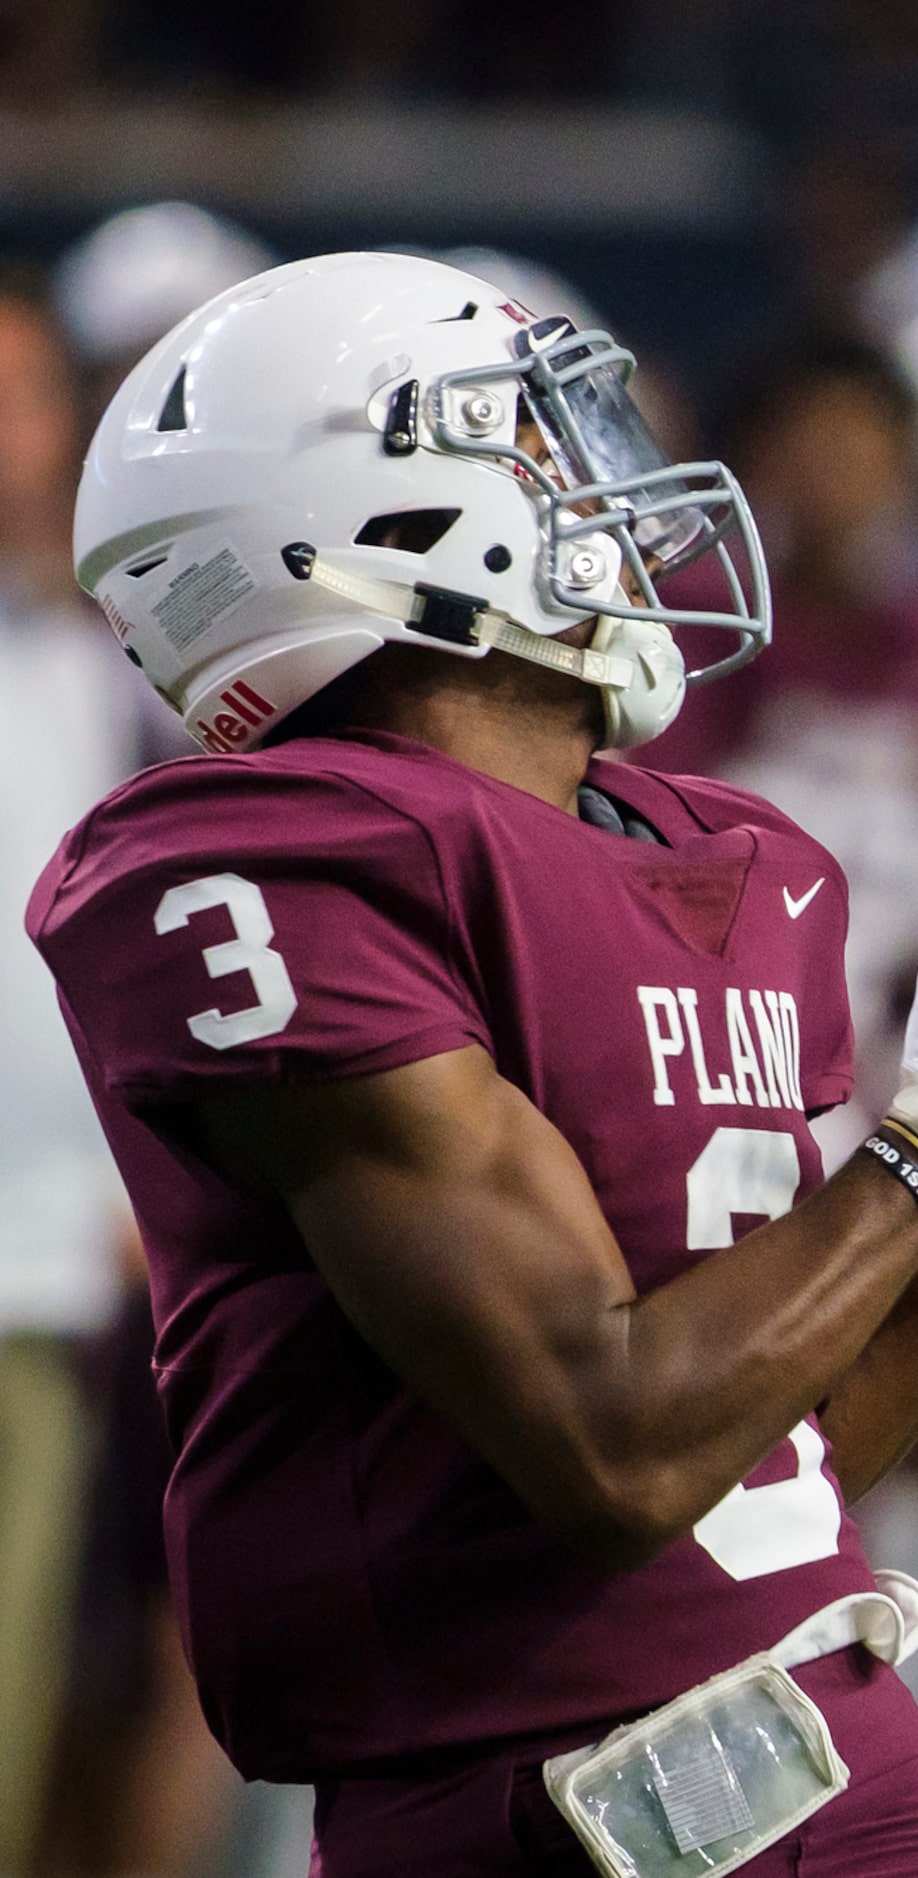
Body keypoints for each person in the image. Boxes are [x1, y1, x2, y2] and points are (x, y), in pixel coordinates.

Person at [29, 249, 918, 1878]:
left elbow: (768, 1472)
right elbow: (620, 1449)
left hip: (825, 1772)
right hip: (523, 1812)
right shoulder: (287, 867)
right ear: (357, 532)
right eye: (535, 448)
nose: (609, 493)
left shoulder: (728, 850)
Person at [0, 275, 141, 1878]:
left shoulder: (92, 660)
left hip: (43, 1258)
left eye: (24, 400)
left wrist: (126, 1187)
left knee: (33, 1681)